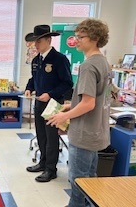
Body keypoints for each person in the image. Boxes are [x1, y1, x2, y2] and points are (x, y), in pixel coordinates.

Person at [47, 18, 111, 207]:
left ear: (95, 38)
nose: (76, 41)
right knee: (91, 179)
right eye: (76, 36)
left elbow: (89, 103)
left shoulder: (89, 65)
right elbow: (95, 99)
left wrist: (63, 116)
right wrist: (71, 105)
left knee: (78, 180)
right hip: (96, 132)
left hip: (84, 133)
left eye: (81, 37)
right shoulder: (104, 62)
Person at [25, 24, 73, 182]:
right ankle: (43, 162)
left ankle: (51, 169)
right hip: (39, 103)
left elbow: (67, 83)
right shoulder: (36, 60)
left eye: (38, 42)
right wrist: (29, 88)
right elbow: (34, 78)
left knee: (51, 137)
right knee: (41, 135)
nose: (36, 45)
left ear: (48, 40)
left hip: (54, 104)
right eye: (35, 42)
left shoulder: (59, 59)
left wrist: (50, 94)